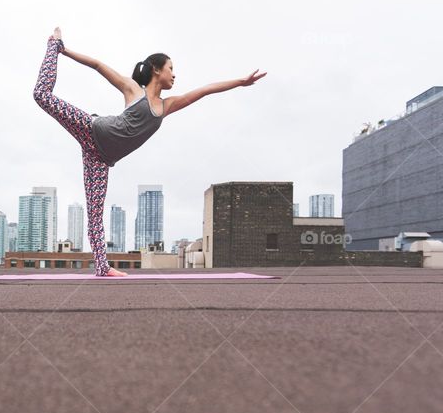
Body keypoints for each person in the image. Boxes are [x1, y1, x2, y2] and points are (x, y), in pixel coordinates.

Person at [32, 27, 267, 277]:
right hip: (92, 129)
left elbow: (205, 90)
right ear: (157, 69)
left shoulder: (167, 106)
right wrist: (63, 50)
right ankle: (52, 46)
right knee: (41, 95)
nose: (174, 75)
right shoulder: (134, 90)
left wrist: (240, 82)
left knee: (95, 214)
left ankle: (102, 267)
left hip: (100, 158)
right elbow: (99, 66)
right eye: (171, 68)